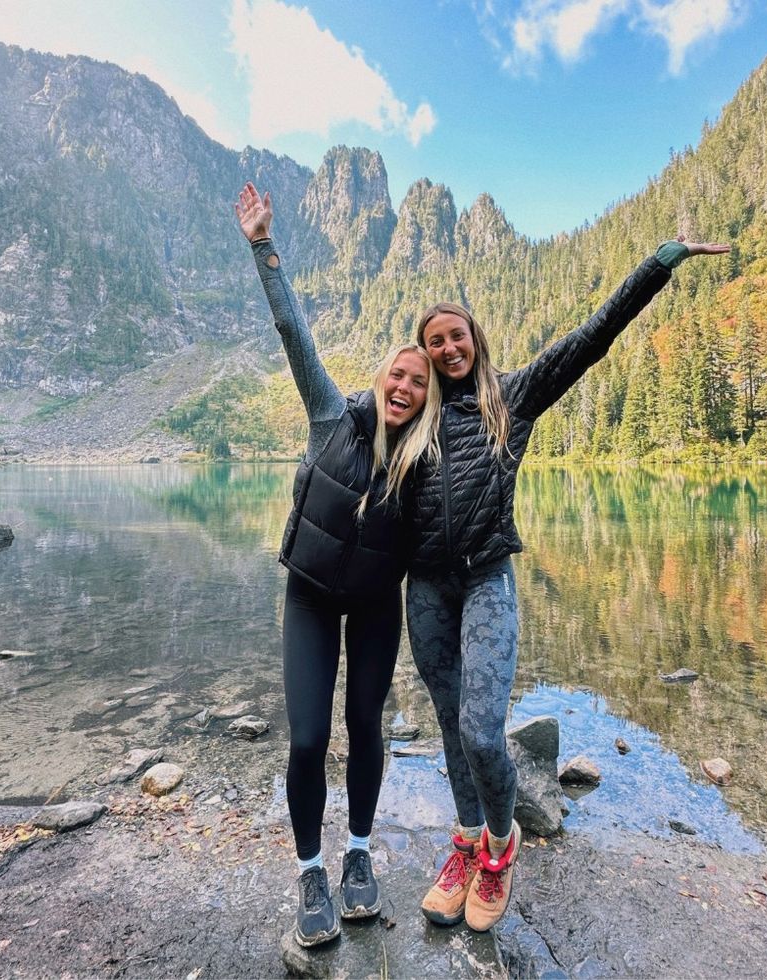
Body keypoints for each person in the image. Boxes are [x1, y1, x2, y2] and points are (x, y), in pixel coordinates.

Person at [407, 236, 730, 932]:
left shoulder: (512, 396)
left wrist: (661, 262)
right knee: (448, 724)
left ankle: (499, 846)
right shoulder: (414, 414)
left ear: (475, 340)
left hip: (488, 582)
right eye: (434, 341)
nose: (447, 349)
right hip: (426, 591)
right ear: (425, 352)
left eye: (456, 336)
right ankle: (463, 846)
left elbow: (592, 339)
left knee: (483, 733)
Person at [234, 182, 442, 948]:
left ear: (425, 400)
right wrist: (262, 245)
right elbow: (292, 329)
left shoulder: (423, 463)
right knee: (306, 738)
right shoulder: (331, 413)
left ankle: (359, 857)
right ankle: (310, 869)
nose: (405, 386)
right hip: (313, 598)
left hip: (377, 605)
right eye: (399, 374)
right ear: (382, 378)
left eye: (419, 383)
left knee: (366, 724)